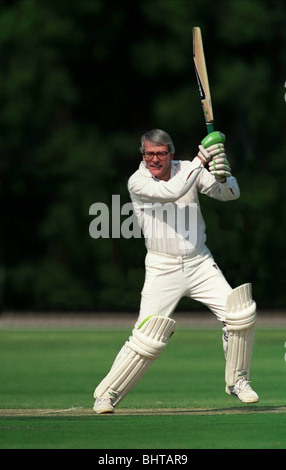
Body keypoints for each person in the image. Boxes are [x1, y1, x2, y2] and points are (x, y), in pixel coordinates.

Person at [93, 129, 258, 414]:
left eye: (160, 153)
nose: (154, 159)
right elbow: (173, 191)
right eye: (149, 154)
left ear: (170, 153)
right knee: (147, 337)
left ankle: (238, 381)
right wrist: (203, 158)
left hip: (199, 262)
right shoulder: (138, 181)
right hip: (162, 267)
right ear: (142, 155)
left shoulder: (186, 168)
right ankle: (106, 394)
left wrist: (222, 174)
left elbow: (230, 194)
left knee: (239, 312)